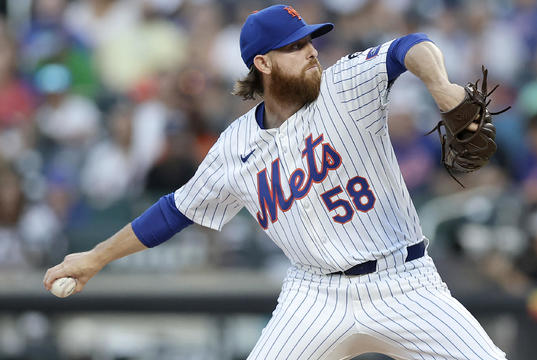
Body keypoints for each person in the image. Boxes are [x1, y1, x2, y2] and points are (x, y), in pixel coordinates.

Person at [44, 5, 507, 359]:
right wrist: (94, 258)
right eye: (295, 47)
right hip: (315, 295)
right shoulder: (234, 146)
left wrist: (443, 88)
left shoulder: (344, 85)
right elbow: (172, 212)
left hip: (404, 281)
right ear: (262, 64)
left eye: (310, 41)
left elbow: (411, 46)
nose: (310, 52)